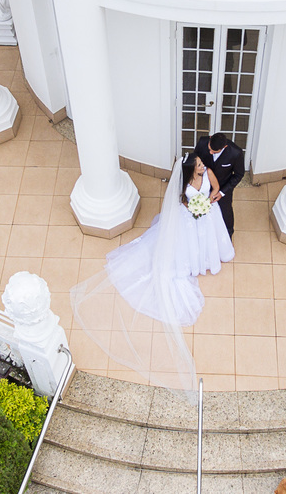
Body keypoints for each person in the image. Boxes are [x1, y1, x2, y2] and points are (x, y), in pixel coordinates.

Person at [69, 153, 235, 399]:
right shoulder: (185, 186)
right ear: (190, 169)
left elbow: (217, 187)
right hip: (191, 220)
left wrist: (211, 199)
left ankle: (210, 257)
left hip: (209, 217)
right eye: (199, 165)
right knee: (187, 247)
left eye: (202, 164)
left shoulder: (208, 173)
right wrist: (196, 208)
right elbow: (185, 204)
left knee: (209, 242)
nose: (203, 167)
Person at [194, 133, 245, 237]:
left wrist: (222, 192)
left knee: (226, 212)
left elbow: (238, 175)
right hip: (203, 185)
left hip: (223, 187)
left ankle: (228, 234)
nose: (211, 153)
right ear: (210, 138)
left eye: (214, 151)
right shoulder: (202, 142)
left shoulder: (236, 153)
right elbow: (194, 161)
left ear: (224, 147)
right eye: (209, 149)